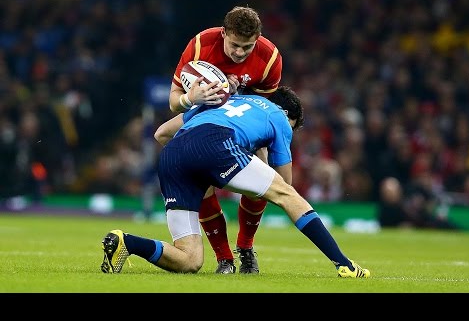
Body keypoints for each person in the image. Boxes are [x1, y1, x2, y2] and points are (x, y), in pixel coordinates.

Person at [100, 86, 370, 278]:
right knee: (289, 196)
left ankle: (127, 242)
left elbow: (161, 134)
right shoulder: (279, 117)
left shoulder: (225, 99)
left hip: (172, 156)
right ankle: (343, 264)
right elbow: (284, 186)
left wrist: (207, 169)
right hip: (216, 143)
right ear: (289, 115)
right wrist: (255, 153)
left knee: (189, 260)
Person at [167, 5, 283, 274]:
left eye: (247, 47)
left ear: (258, 40)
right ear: (223, 34)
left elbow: (262, 106)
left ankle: (245, 246)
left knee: (262, 176)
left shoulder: (269, 58)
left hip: (241, 118)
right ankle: (224, 259)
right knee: (164, 136)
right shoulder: (200, 45)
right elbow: (173, 101)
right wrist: (190, 99)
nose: (240, 52)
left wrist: (233, 92)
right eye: (235, 45)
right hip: (201, 115)